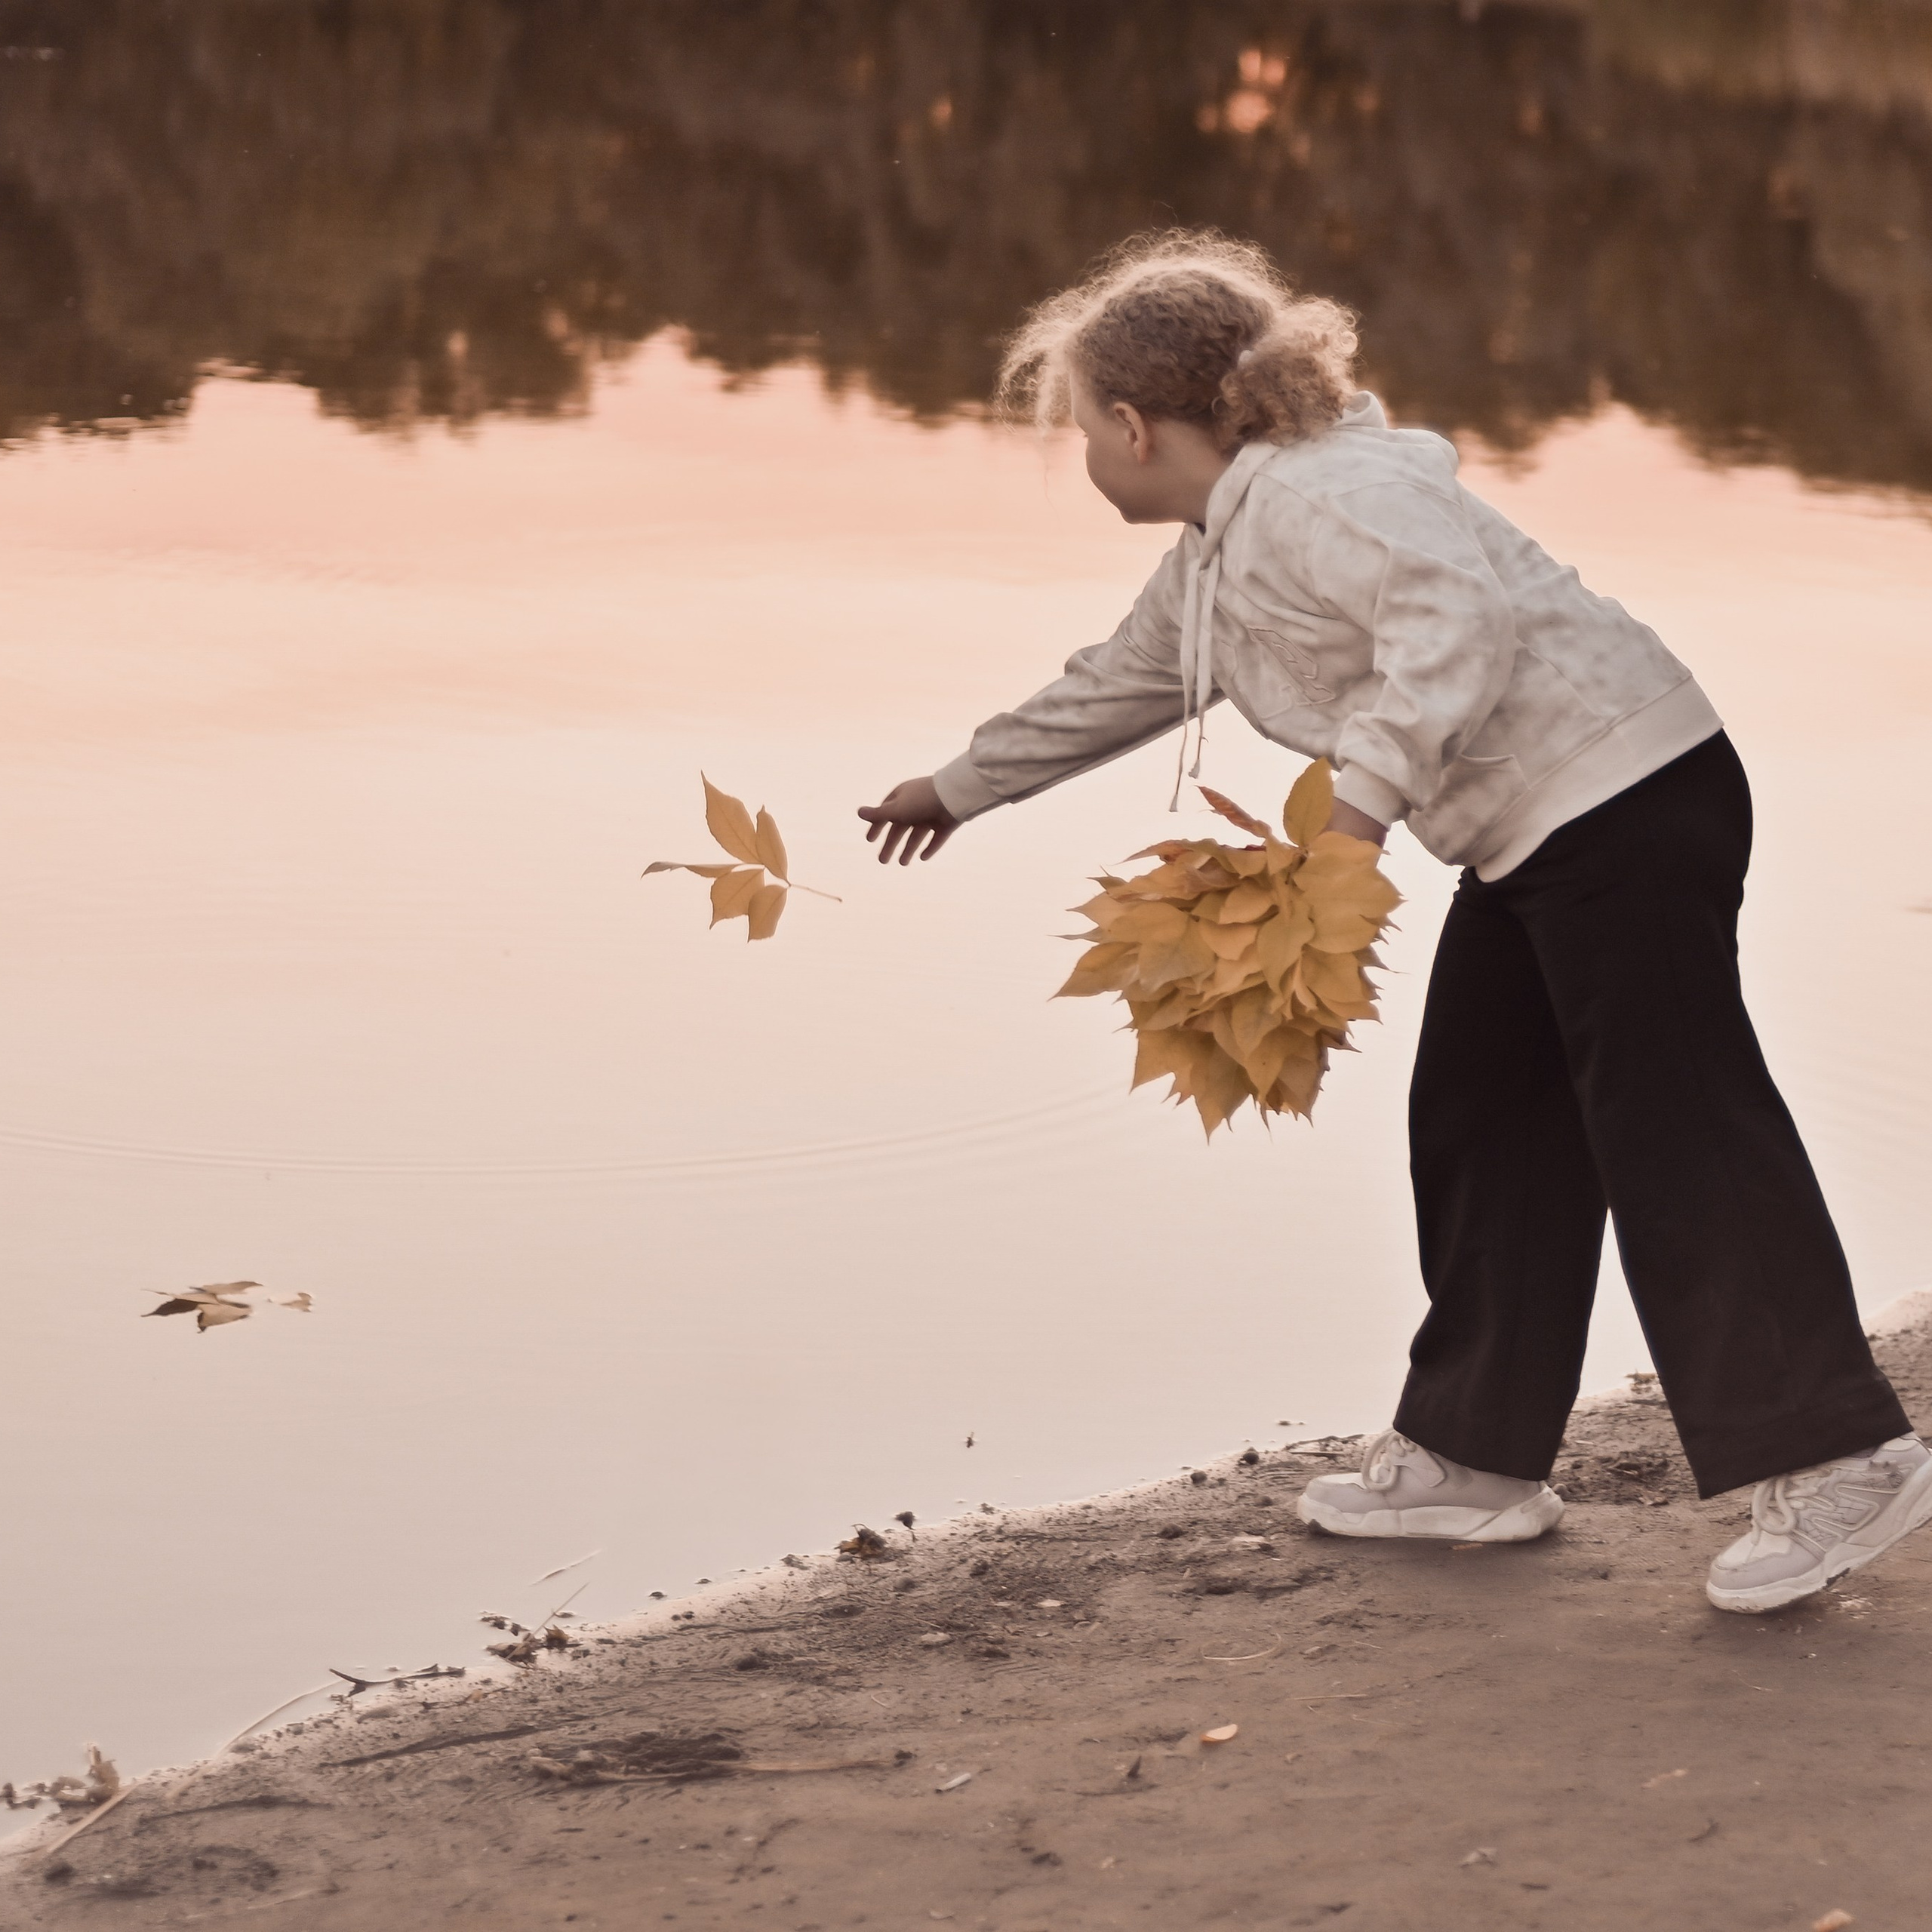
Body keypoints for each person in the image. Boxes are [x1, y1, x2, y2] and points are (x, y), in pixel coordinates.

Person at [856, 231, 1928, 1615]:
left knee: (1677, 1123)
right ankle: (1477, 1460)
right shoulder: (1223, 547)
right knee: (1488, 1116)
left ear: (1132, 423)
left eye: (1080, 432)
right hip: (1546, 831)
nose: (1084, 458)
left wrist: (1357, 808)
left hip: (1626, 799)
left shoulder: (1328, 494)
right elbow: (1123, 680)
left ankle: (1841, 1456)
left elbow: (1456, 625)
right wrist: (958, 787)